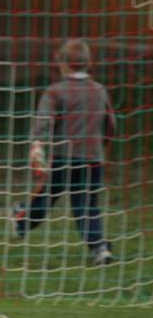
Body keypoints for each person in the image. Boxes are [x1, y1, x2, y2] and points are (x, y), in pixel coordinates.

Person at [12, 39, 117, 266]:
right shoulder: (99, 91)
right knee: (87, 204)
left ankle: (22, 220)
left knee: (47, 197)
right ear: (88, 63)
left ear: (62, 64)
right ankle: (99, 248)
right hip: (92, 158)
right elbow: (110, 123)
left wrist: (37, 144)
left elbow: (44, 119)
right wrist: (103, 145)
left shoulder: (56, 91)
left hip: (64, 157)